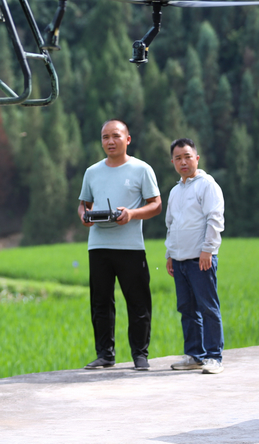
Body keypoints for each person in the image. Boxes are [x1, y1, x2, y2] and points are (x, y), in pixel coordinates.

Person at [77, 119, 162, 371]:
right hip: (98, 246)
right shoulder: (92, 172)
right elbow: (83, 203)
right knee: (101, 302)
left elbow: (156, 204)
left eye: (115, 136)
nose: (110, 141)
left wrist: (132, 214)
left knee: (138, 302)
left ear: (127, 139)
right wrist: (84, 215)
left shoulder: (141, 169)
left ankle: (140, 355)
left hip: (131, 247)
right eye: (105, 137)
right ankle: (105, 354)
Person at [165, 138, 226, 374]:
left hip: (201, 259)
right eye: (178, 158)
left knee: (208, 307)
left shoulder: (207, 185)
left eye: (187, 156)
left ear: (196, 158)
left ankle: (214, 357)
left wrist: (207, 250)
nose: (183, 162)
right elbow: (170, 224)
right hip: (179, 261)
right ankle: (194, 355)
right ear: (172, 162)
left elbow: (214, 219)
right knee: (187, 308)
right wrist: (170, 254)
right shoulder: (175, 191)